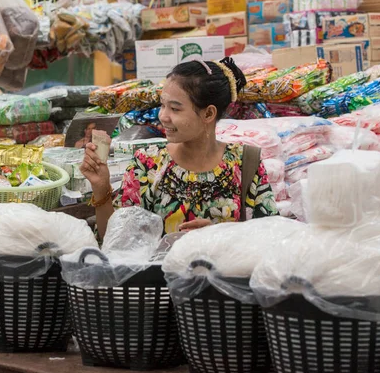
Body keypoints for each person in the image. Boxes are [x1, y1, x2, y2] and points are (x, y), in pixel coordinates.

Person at [80, 57, 279, 238]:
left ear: (208, 114)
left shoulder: (246, 163)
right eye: (162, 105)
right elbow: (116, 242)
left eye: (175, 108)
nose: (162, 116)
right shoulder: (148, 164)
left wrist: (220, 236)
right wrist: (101, 188)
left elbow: (272, 238)